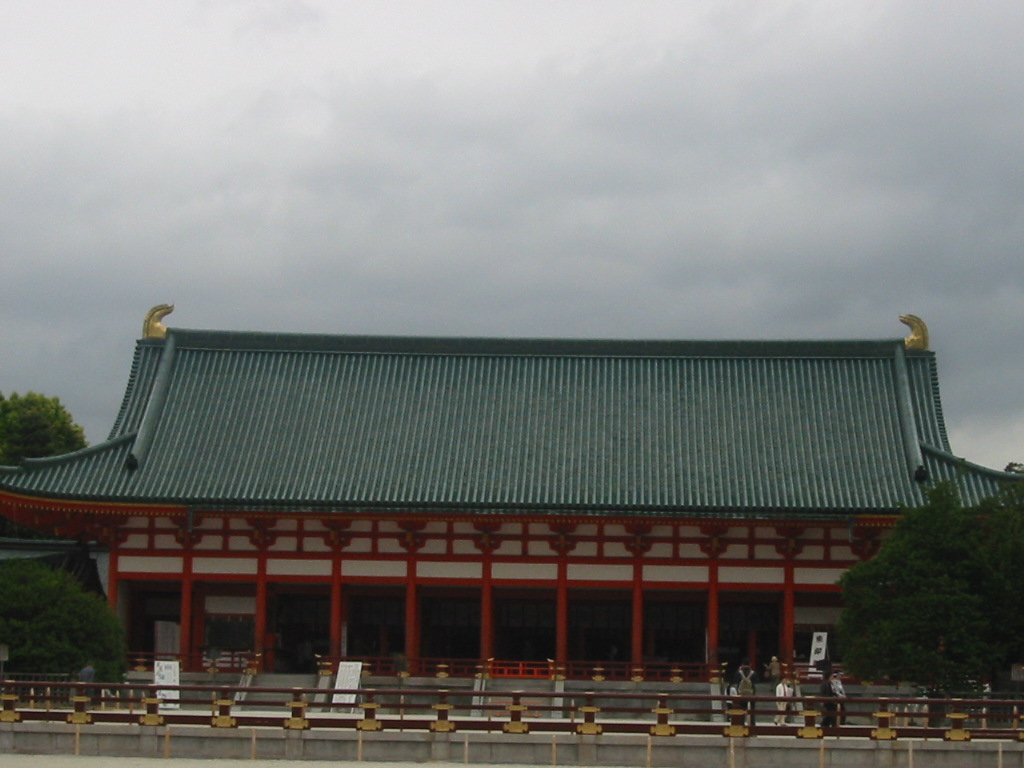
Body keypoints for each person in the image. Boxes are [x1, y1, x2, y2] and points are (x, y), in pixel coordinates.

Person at [734, 659, 757, 724]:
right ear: (750, 664)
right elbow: (756, 681)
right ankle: (752, 726)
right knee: (752, 712)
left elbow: (735, 680)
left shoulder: (738, 673)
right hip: (751, 694)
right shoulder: (753, 673)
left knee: (741, 711)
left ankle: (741, 724)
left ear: (742, 664)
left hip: (741, 694)